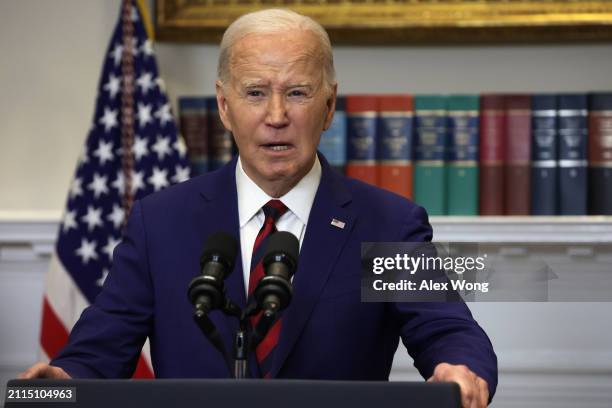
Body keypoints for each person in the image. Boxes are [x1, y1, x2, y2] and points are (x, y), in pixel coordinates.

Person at [20, 8, 497, 408]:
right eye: (255, 93)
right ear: (224, 107)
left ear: (328, 106)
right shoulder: (160, 221)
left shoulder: (389, 222)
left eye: (297, 93)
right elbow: (99, 350)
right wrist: (61, 380)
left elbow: (449, 331)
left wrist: (462, 371)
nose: (275, 116)